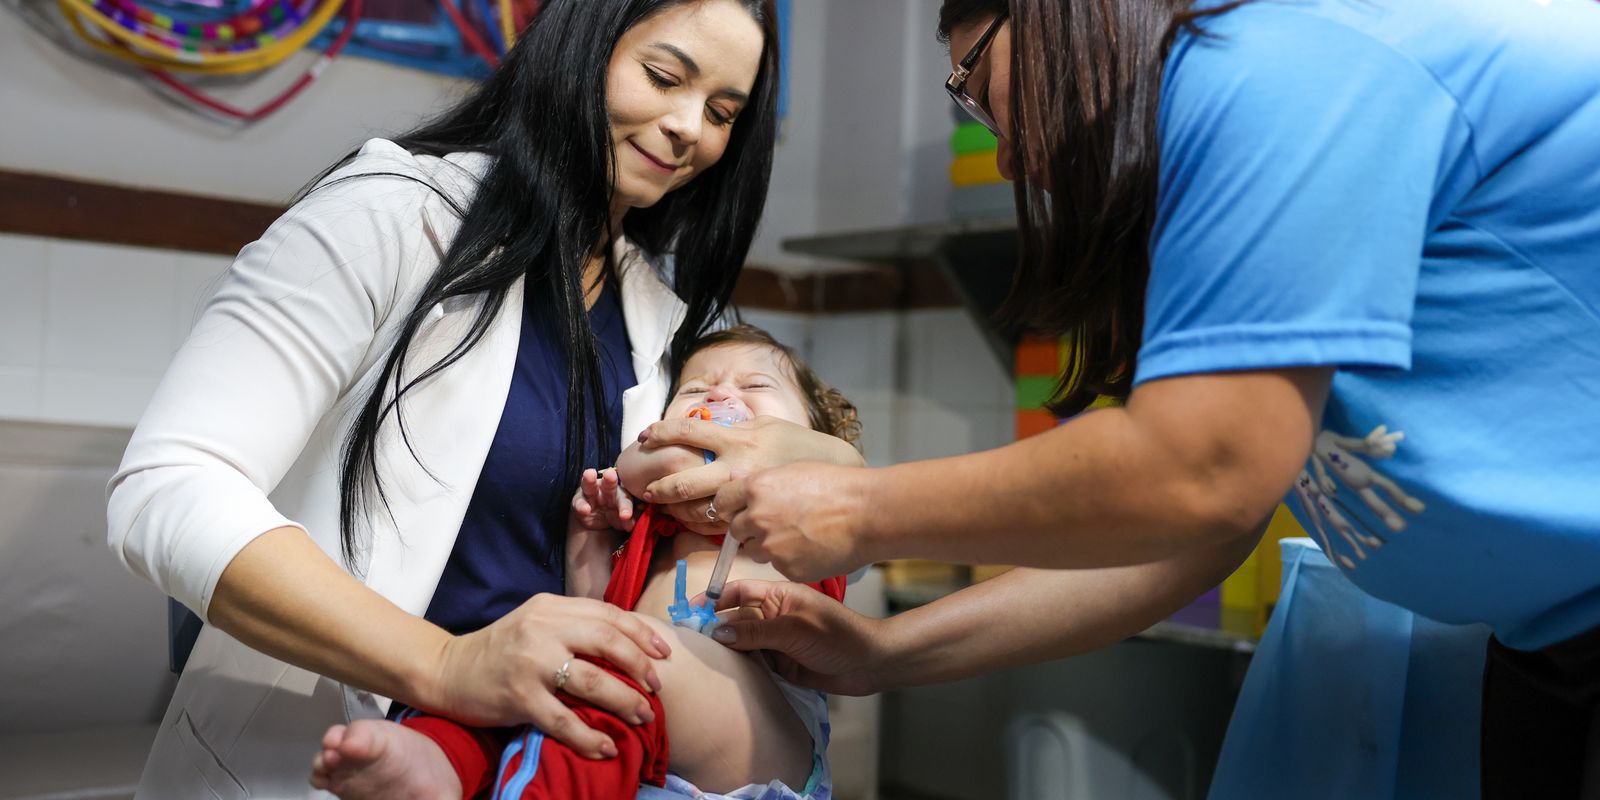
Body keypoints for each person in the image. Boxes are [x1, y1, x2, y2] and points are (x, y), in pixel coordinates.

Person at [635, 0, 1600, 796]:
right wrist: (882, 653)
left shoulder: (1276, 62)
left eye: (971, 85)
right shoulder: (1235, 126)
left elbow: (1202, 474)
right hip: (1546, 645)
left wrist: (855, 505)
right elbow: (1196, 530)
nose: (1004, 156)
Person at [106, 2, 859, 796]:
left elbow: (788, 467)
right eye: (664, 77)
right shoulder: (391, 215)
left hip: (536, 763)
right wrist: (447, 664)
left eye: (720, 113)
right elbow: (169, 484)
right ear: (578, 44)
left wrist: (833, 457)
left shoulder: (664, 321)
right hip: (321, 753)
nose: (687, 129)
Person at [308, 324, 857, 799]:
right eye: (694, 390)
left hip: (755, 726)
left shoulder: (811, 510)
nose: (719, 395)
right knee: (526, 666)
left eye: (755, 386)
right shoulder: (651, 524)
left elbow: (853, 488)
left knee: (618, 665)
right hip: (642, 740)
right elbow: (593, 606)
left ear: (819, 436)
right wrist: (589, 538)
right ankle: (439, 759)